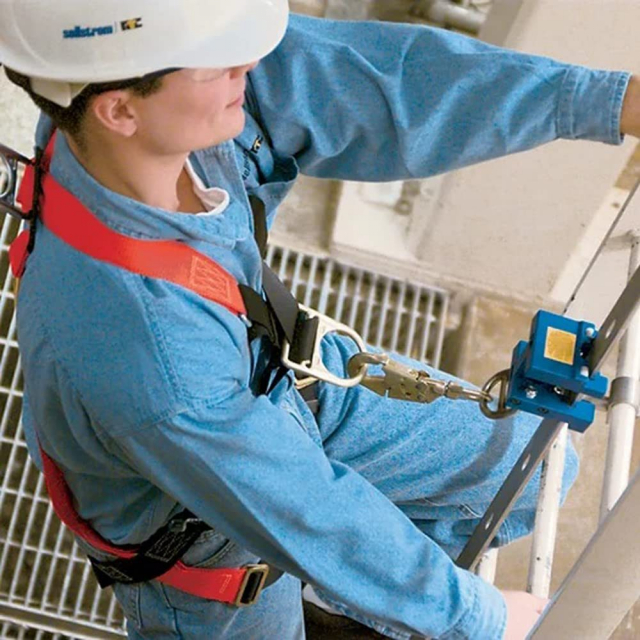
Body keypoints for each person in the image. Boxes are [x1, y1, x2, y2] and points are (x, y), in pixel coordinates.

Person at [2, 1, 639, 638]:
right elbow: (301, 505)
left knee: (532, 468)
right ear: (119, 110)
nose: (250, 61)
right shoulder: (147, 351)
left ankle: (355, 598)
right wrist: (480, 618)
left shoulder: (149, 110)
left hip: (273, 381)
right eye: (218, 60)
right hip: (198, 544)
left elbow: (376, 78)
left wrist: (608, 103)